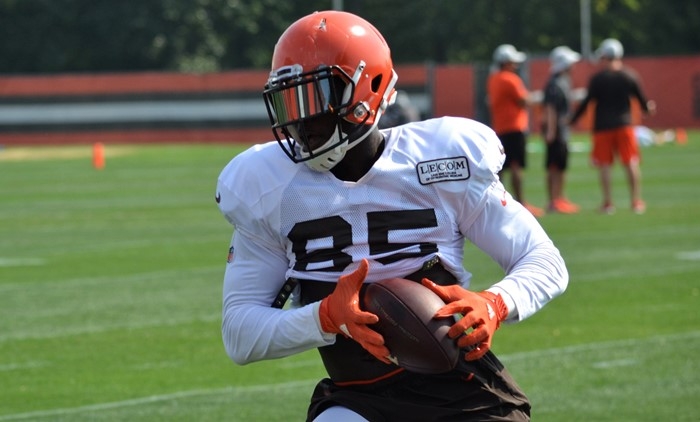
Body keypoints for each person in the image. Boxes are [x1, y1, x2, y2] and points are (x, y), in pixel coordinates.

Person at [215, 10, 568, 422]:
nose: (300, 120)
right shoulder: (267, 187)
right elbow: (240, 334)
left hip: (461, 388)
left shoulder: (439, 160)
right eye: (289, 102)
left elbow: (544, 260)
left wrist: (495, 303)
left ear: (368, 88)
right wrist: (325, 317)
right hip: (357, 397)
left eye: (315, 97)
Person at [569, 38, 655, 215]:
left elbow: (587, 102)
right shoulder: (629, 75)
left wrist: (573, 119)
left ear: (605, 56)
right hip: (624, 125)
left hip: (602, 127)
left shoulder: (598, 79)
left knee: (605, 165)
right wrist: (648, 109)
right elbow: (642, 101)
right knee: (630, 162)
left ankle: (608, 203)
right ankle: (636, 201)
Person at [486, 44, 544, 217]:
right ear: (505, 62)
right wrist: (537, 98)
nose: (515, 65)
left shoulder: (493, 79)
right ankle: (521, 202)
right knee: (516, 165)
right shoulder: (510, 79)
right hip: (515, 127)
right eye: (512, 62)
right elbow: (523, 100)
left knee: (500, 168)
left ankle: (498, 202)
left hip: (500, 127)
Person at [542, 46, 582, 214]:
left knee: (562, 165)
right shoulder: (554, 83)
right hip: (557, 131)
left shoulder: (564, 81)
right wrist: (551, 131)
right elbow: (550, 108)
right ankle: (553, 200)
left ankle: (560, 198)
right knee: (554, 166)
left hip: (563, 131)